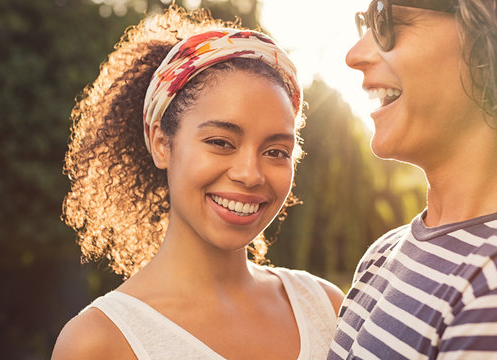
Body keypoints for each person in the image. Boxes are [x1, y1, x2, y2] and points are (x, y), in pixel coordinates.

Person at [52, 6, 343, 360]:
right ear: (161, 143)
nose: (250, 174)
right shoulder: (100, 342)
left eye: (276, 151)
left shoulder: (327, 308)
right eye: (221, 142)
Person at [328, 0, 497, 359]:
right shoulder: (383, 253)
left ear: (486, 37)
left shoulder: (489, 290)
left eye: (388, 21)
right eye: (366, 23)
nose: (354, 54)